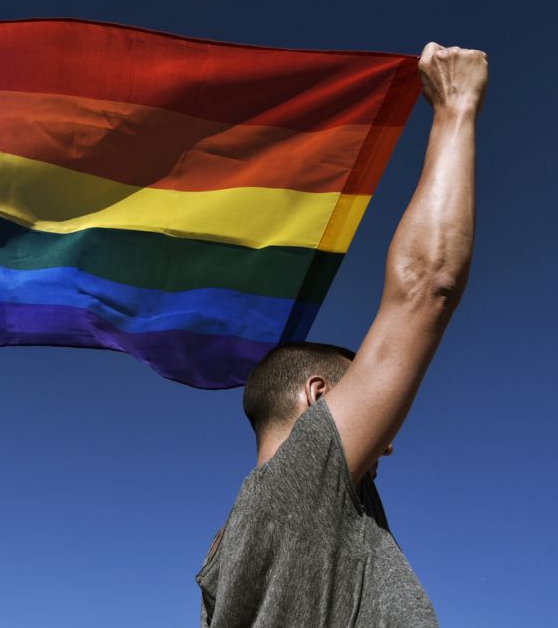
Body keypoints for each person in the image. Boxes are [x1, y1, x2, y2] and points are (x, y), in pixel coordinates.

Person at [196, 42, 489, 627]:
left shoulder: (228, 556)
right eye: (361, 394)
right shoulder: (302, 484)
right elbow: (426, 285)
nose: (387, 440)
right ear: (320, 396)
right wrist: (456, 107)